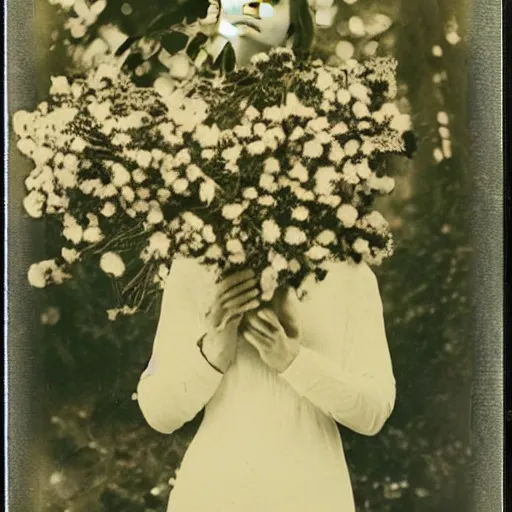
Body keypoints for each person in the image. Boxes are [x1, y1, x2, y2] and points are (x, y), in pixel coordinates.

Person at [137, 1, 396, 510]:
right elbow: (159, 411)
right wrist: (215, 344)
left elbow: (373, 410)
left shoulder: (344, 263)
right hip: (213, 492)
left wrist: (293, 361)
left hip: (311, 493)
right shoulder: (199, 254)